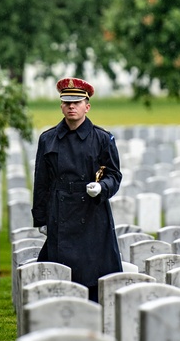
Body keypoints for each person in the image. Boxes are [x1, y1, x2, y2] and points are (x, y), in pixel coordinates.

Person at [31, 77, 122, 302]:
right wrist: (41, 218)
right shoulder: (48, 139)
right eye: (67, 102)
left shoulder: (102, 139)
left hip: (92, 215)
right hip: (60, 214)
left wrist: (101, 188)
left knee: (93, 277)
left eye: (77, 102)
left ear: (87, 106)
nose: (72, 106)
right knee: (59, 278)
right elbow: (41, 182)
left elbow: (114, 175)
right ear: (61, 105)